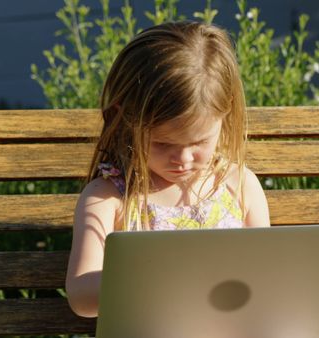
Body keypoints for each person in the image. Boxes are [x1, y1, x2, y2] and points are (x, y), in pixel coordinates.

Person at [65, 21, 271, 318]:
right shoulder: (110, 198)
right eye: (162, 144)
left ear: (224, 119)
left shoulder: (239, 185)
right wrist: (164, 274)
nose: (183, 159)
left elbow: (266, 277)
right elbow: (82, 297)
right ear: (127, 123)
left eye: (200, 141)